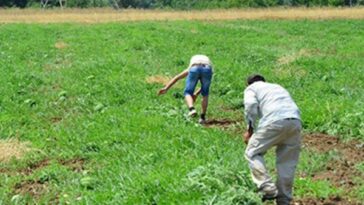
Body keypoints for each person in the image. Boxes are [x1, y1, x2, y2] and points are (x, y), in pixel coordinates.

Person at [242, 74, 301, 205]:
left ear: (249, 84)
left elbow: (251, 105)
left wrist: (250, 129)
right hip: (295, 121)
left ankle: (266, 187)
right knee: (287, 162)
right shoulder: (276, 87)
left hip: (273, 121)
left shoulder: (251, 88)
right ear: (264, 81)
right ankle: (284, 200)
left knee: (252, 152)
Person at [158, 54, 213, 124]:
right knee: (205, 94)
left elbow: (177, 77)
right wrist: (196, 94)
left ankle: (192, 109)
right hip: (207, 69)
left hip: (194, 68)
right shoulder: (209, 66)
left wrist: (166, 88)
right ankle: (202, 118)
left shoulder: (191, 67)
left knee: (188, 92)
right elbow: (205, 86)